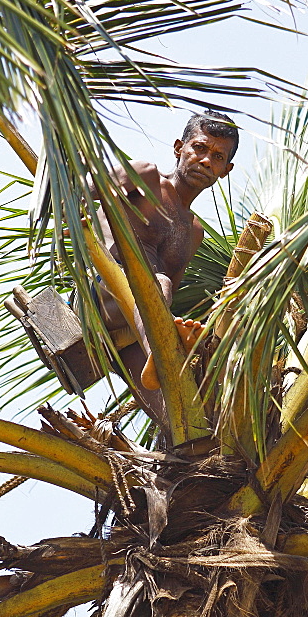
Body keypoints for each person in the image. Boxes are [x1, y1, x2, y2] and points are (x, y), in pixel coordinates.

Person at [90, 109, 238, 417]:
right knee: (160, 282)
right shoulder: (145, 176)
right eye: (199, 147)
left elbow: (164, 297)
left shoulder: (193, 231)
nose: (206, 160)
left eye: (218, 156)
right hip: (100, 298)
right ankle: (164, 355)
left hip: (132, 332)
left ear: (226, 169)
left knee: (177, 419)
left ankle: (165, 362)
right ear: (178, 148)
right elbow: (83, 190)